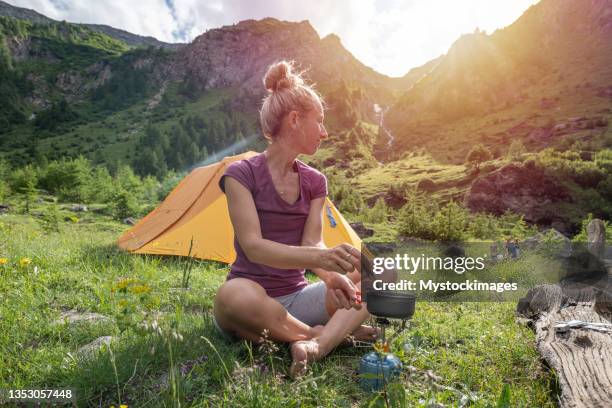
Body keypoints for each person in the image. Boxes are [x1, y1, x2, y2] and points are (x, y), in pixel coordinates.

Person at [213, 60, 375, 378]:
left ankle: (318, 345)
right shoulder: (240, 174)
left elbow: (311, 241)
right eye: (320, 121)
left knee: (382, 269)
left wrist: (329, 276)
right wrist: (322, 257)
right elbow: (254, 246)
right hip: (252, 301)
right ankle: (324, 335)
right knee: (231, 296)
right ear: (296, 119)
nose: (325, 132)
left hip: (298, 299)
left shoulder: (315, 181)